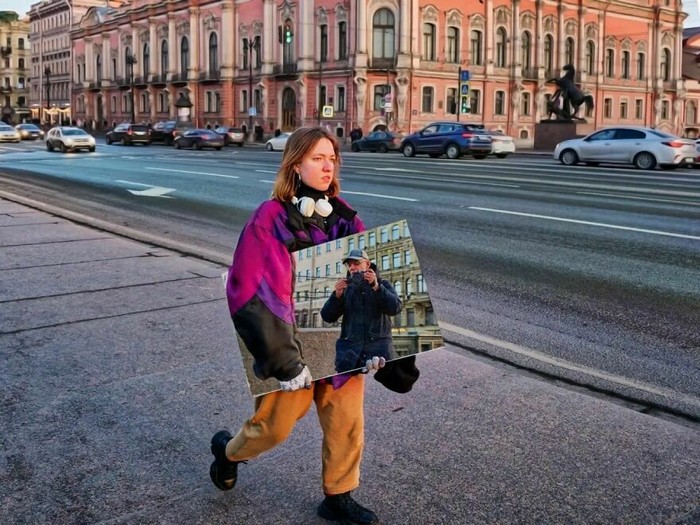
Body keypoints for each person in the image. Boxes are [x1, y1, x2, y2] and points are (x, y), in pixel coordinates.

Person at [211, 126, 382, 525]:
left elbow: (369, 283)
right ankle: (229, 452)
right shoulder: (269, 219)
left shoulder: (346, 218)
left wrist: (380, 348)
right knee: (272, 427)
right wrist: (285, 361)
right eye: (317, 158)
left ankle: (338, 496)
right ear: (295, 165)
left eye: (332, 158)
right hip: (289, 346)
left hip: (339, 344)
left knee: (346, 423)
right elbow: (250, 289)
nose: (327, 166)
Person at [321, 249, 402, 374]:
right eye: (349, 264)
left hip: (378, 357)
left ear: (367, 264)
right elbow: (327, 316)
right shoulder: (346, 289)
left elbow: (395, 308)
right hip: (350, 359)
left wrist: (376, 287)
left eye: (356, 263)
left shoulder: (383, 284)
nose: (352, 267)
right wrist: (336, 296)